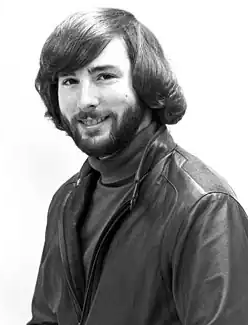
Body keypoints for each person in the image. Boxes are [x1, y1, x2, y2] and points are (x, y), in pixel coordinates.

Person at [27, 7, 248, 325]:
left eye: (104, 76)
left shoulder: (203, 206)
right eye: (70, 81)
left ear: (145, 83)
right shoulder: (66, 201)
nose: (85, 99)